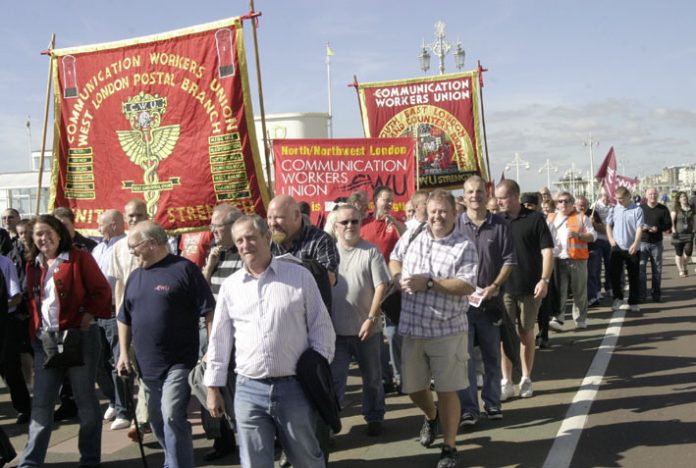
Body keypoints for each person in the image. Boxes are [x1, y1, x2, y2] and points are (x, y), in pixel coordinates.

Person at [204, 215, 335, 468]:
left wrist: (315, 370)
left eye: (250, 238)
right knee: (254, 463)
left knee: (306, 459)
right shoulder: (231, 287)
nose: (245, 245)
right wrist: (213, 387)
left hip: (295, 388)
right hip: (248, 390)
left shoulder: (299, 276)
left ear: (266, 237)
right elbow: (219, 339)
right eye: (239, 240)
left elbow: (322, 328)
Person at [389, 189, 477, 468]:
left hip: (447, 330)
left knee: (448, 390)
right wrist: (397, 277)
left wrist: (429, 283)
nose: (437, 216)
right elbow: (395, 258)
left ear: (454, 213)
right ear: (425, 212)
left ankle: (449, 447)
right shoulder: (414, 235)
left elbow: (467, 285)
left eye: (443, 212)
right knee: (413, 388)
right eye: (432, 211)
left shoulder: (464, 245)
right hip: (413, 328)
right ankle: (431, 417)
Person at [117, 221, 215, 468]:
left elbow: (209, 311)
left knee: (172, 414)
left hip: (179, 361)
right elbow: (123, 318)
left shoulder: (184, 269)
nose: (131, 252)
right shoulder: (135, 276)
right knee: (157, 419)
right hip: (146, 365)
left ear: (152, 243)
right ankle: (172, 459)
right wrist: (123, 355)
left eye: (134, 246)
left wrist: (211, 349)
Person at [19, 214, 112, 467]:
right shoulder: (32, 264)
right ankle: (30, 462)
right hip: (45, 342)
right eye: (38, 233)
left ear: (60, 234)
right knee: (41, 404)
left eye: (48, 232)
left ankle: (90, 460)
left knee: (85, 401)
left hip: (80, 338)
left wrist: (88, 315)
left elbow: (102, 291)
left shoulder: (79, 257)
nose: (43, 238)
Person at [456, 176, 515, 425]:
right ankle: (469, 408)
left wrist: (494, 286)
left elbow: (509, 260)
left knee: (492, 356)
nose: (474, 196)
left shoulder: (500, 225)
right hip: (460, 305)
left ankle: (492, 403)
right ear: (464, 194)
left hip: (489, 304)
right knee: (464, 359)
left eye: (479, 191)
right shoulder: (454, 225)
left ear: (486, 192)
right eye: (470, 191)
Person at [330, 204, 390, 436]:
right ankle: (331, 426)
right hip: (336, 334)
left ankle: (374, 416)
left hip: (367, 331)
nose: (350, 226)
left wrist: (371, 318)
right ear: (335, 227)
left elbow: (381, 286)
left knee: (373, 379)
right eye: (344, 222)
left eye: (354, 221)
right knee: (335, 383)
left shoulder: (370, 251)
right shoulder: (329, 253)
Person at [495, 180, 554, 400]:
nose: (498, 201)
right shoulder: (497, 221)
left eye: (502, 197)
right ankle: (506, 381)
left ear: (515, 196)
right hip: (504, 289)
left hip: (531, 288)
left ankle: (526, 378)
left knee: (526, 333)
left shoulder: (536, 219)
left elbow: (547, 252)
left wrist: (544, 280)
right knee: (505, 337)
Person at [199, 203, 243, 462]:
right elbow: (202, 292)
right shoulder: (216, 253)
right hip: (212, 331)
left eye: (218, 226)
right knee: (211, 386)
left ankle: (250, 434)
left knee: (236, 389)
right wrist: (210, 264)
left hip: (237, 333)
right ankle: (221, 439)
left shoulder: (243, 252)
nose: (213, 230)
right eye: (212, 225)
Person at [108, 199, 151, 441]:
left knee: (148, 369)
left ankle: (142, 419)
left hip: (152, 315)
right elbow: (119, 284)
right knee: (124, 364)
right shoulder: (119, 248)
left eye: (138, 215)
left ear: (147, 215)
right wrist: (119, 313)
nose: (134, 219)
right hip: (127, 318)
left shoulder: (157, 242)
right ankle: (125, 410)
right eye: (130, 216)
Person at [91, 209, 131, 431]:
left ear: (114, 225)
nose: (98, 227)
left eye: (101, 224)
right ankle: (114, 400)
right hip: (96, 312)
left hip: (116, 311)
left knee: (119, 361)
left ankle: (125, 409)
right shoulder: (97, 248)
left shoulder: (125, 246)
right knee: (97, 362)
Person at [547, 192, 596, 330]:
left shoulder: (582, 218)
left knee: (579, 291)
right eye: (561, 201)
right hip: (557, 259)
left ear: (572, 203)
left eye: (567, 201)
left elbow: (593, 236)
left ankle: (580, 318)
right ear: (556, 203)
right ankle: (558, 318)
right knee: (559, 291)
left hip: (577, 260)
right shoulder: (551, 218)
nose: (564, 204)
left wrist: (578, 235)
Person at [606, 186, 644, 312]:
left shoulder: (637, 210)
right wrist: (611, 239)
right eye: (617, 199)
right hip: (617, 247)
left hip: (632, 247)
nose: (619, 201)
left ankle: (633, 302)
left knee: (634, 275)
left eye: (621, 199)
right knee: (615, 275)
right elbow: (608, 225)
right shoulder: (614, 209)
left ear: (628, 196)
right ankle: (618, 298)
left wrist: (636, 242)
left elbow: (639, 228)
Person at [639, 188, 672, 301]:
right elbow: (635, 222)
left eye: (654, 194)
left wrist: (658, 228)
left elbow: (668, 224)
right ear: (646, 196)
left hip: (656, 243)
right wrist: (641, 227)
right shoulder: (641, 208)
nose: (653, 196)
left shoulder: (663, 209)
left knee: (657, 270)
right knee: (641, 270)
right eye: (650, 194)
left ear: (657, 195)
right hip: (642, 242)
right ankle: (642, 295)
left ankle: (656, 294)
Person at [670, 191, 694, 278]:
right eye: (682, 197)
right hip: (678, 235)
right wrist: (673, 230)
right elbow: (672, 220)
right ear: (679, 199)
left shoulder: (691, 208)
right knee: (679, 253)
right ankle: (680, 270)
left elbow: (694, 219)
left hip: (689, 234)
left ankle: (685, 264)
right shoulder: (676, 208)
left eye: (685, 196)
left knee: (688, 252)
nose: (684, 198)